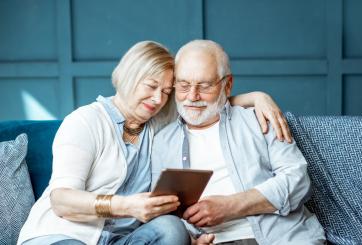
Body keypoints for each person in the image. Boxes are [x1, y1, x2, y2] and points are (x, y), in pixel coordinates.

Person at [17, 41, 292, 245]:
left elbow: (201, 102)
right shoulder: (86, 121)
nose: (158, 99)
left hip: (122, 240)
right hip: (64, 234)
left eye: (166, 91)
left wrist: (257, 97)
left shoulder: (157, 121)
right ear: (128, 77)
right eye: (150, 86)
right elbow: (62, 200)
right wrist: (126, 207)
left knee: (172, 228)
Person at [151, 40, 326, 245]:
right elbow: (163, 211)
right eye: (183, 85)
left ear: (228, 85)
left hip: (280, 237)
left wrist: (231, 206)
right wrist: (189, 240)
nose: (192, 96)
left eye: (205, 86)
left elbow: (298, 181)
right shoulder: (162, 141)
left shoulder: (259, 119)